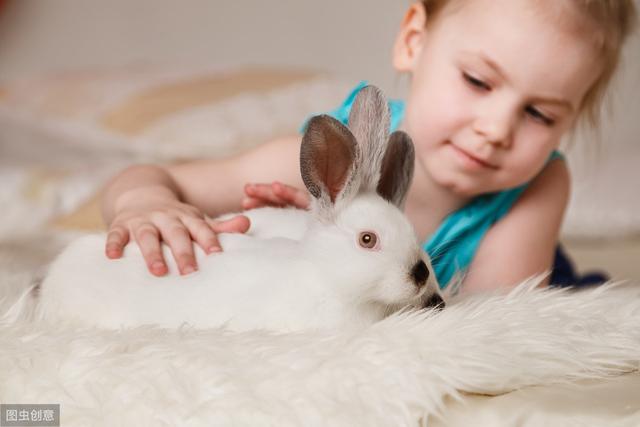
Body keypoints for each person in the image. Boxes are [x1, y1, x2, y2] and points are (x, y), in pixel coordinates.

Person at [100, 0, 637, 293]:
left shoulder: (537, 186)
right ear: (413, 42)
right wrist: (145, 203)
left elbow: (484, 329)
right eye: (478, 81)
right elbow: (157, 178)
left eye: (540, 114)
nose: (497, 129)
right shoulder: (329, 162)